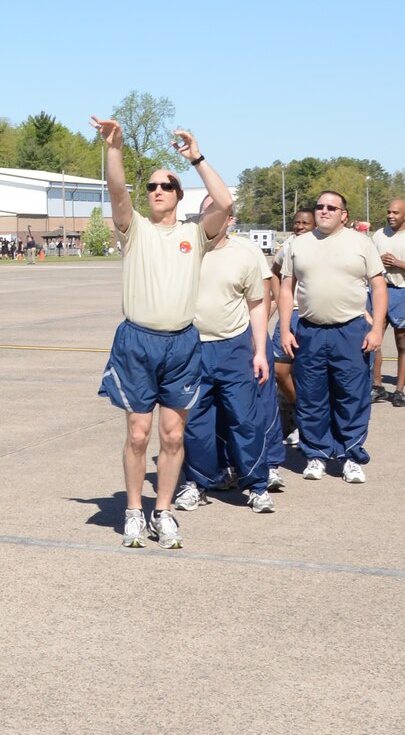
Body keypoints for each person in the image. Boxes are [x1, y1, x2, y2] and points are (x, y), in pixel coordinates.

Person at [92, 118, 232, 550]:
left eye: (166, 186)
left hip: (182, 343)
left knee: (172, 436)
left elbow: (224, 203)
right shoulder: (134, 230)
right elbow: (118, 192)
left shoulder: (195, 233)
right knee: (138, 435)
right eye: (151, 185)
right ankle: (134, 510)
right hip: (137, 341)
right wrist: (113, 148)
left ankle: (164, 511)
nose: (157, 190)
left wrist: (196, 158)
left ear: (178, 195)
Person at [280, 190, 386, 482]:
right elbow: (286, 288)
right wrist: (286, 329)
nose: (323, 211)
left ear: (344, 215)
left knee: (351, 395)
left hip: (350, 330)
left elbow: (378, 287)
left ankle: (350, 454)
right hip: (310, 330)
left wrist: (377, 328)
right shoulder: (299, 244)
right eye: (320, 206)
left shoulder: (361, 243)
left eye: (331, 207)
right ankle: (316, 454)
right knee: (312, 397)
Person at [174, 222, 279, 514]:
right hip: (192, 347)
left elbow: (258, 304)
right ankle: (198, 482)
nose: (211, 219)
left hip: (234, 347)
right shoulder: (184, 252)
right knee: (195, 423)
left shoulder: (243, 254)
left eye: (217, 213)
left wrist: (259, 350)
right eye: (207, 212)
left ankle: (257, 486)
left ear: (228, 219)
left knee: (244, 420)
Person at [270, 206, 315, 440]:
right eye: (297, 222)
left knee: (307, 373)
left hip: (311, 316)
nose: (299, 227)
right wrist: (279, 300)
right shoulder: (287, 247)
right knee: (280, 370)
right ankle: (301, 412)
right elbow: (274, 273)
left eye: (305, 223)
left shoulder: (320, 247)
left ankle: (307, 423)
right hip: (291, 315)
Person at [371, 195, 405, 406]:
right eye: (389, 212)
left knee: (402, 344)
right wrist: (379, 263)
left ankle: (399, 390)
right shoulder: (378, 235)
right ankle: (377, 386)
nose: (390, 216)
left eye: (395, 212)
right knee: (374, 340)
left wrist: (399, 263)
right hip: (381, 290)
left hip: (402, 292)